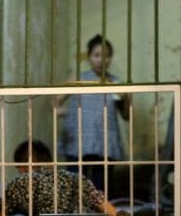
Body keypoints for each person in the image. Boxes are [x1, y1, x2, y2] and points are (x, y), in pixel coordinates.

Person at [55, 34, 131, 196]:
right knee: (73, 187)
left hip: (104, 142)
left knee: (101, 190)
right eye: (96, 55)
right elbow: (56, 100)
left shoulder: (116, 83)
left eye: (106, 56)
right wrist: (60, 110)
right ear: (89, 57)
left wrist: (126, 99)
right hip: (78, 140)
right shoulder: (78, 79)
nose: (101, 60)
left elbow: (126, 116)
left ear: (111, 58)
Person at [0, 139, 117, 216]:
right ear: (49, 161)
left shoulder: (20, 182)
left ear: (22, 167)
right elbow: (111, 213)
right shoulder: (77, 179)